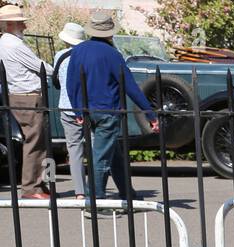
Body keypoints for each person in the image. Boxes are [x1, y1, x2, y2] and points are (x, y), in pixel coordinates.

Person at [66, 11, 158, 209]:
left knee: (113, 153)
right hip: (109, 111)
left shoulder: (78, 51)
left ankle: (128, 194)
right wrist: (150, 114)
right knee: (101, 157)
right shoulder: (114, 55)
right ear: (109, 33)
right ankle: (95, 201)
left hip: (89, 110)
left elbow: (71, 83)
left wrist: (78, 111)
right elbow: (131, 87)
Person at [0, 5, 54, 200]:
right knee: (35, 142)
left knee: (36, 141)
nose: (24, 25)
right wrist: (56, 71)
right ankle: (31, 188)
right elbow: (39, 66)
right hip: (28, 96)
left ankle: (38, 185)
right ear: (11, 24)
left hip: (20, 94)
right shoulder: (13, 44)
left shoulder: (6, 42)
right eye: (20, 21)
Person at [52, 21, 86, 199]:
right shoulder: (87, 55)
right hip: (87, 106)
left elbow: (56, 81)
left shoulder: (60, 56)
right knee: (97, 147)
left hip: (66, 106)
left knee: (74, 148)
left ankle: (80, 191)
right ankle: (98, 188)